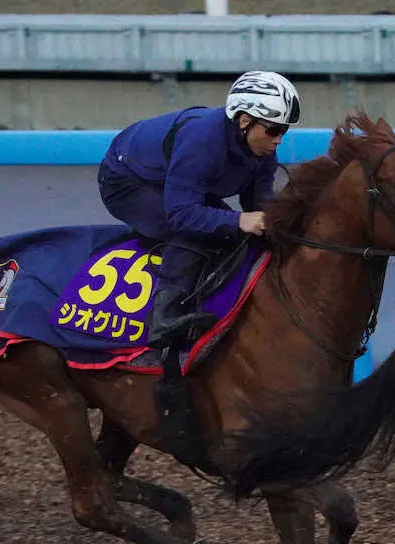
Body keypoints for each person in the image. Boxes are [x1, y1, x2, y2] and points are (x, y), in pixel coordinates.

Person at [98, 70, 300, 347]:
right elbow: (181, 214)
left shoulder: (263, 151)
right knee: (199, 231)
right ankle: (164, 319)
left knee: (237, 233)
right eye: (273, 130)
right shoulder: (202, 140)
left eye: (284, 131)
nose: (278, 140)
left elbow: (260, 208)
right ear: (244, 121)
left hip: (172, 179)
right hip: (127, 181)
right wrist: (240, 220)